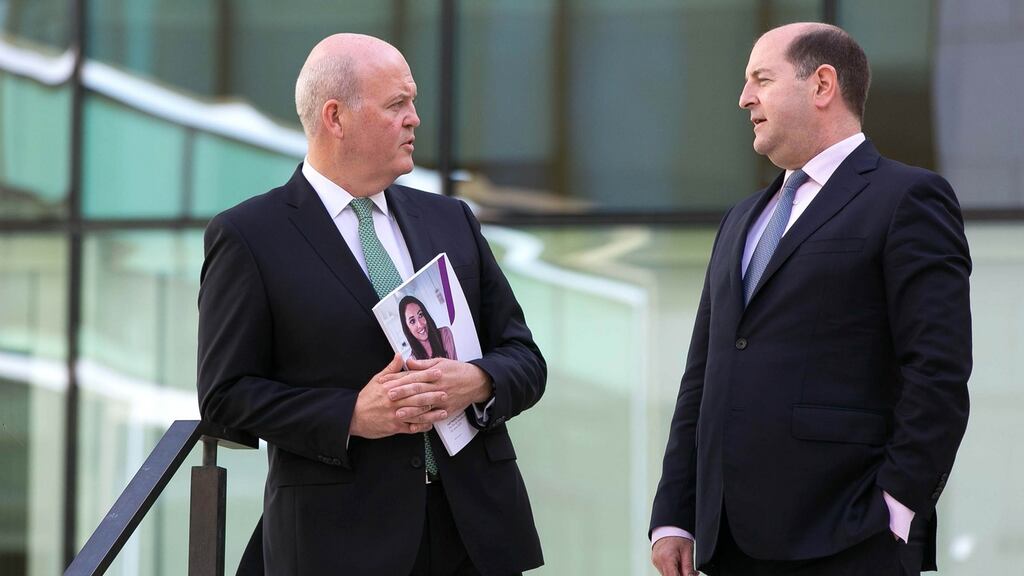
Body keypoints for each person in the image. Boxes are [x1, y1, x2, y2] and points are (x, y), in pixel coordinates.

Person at [197, 33, 546, 576]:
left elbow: (524, 357)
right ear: (335, 117)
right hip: (339, 541)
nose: (415, 119)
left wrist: (475, 381)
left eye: (413, 102)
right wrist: (352, 416)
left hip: (476, 532)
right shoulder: (248, 236)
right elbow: (225, 395)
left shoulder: (450, 219)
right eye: (397, 104)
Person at [650, 22, 971, 576]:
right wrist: (675, 515)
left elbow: (938, 371)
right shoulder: (742, 219)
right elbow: (703, 376)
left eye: (761, 79)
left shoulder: (907, 198)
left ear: (822, 85)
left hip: (848, 539)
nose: (743, 98)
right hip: (726, 543)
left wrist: (896, 509)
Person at [401, 295, 459, 361]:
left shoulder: (444, 333)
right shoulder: (413, 360)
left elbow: (454, 367)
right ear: (407, 329)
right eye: (412, 321)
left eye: (420, 315)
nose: (420, 325)